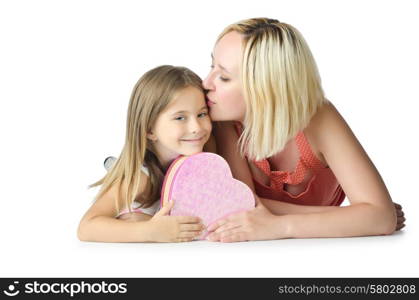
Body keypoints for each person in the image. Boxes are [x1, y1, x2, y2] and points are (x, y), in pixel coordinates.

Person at [203, 18, 405, 242]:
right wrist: (351, 217)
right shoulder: (223, 123)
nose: (206, 83)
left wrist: (281, 227)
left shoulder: (318, 118)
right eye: (212, 66)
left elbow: (381, 218)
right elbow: (240, 205)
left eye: (224, 77)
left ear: (266, 87)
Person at [77, 65, 214, 243]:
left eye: (202, 114)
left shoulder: (204, 163)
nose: (196, 128)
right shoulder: (140, 177)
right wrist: (149, 230)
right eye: (180, 117)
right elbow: (87, 227)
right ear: (150, 130)